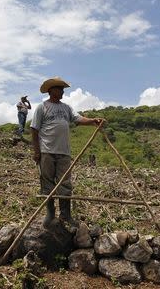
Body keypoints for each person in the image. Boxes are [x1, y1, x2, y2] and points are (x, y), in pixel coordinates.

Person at [30, 76, 104, 227]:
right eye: (60, 89)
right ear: (51, 91)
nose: (63, 91)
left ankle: (66, 215)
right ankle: (50, 215)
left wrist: (92, 121)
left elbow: (77, 119)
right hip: (47, 151)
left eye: (63, 89)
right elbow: (34, 130)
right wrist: (37, 151)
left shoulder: (66, 108)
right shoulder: (42, 107)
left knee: (65, 184)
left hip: (64, 152)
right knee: (47, 183)